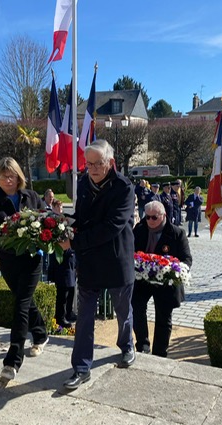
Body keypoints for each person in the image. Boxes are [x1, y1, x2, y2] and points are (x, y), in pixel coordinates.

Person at [58, 139, 136, 390]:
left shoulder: (124, 187)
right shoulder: (83, 182)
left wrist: (75, 243)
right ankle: (81, 367)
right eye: (88, 163)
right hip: (90, 261)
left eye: (96, 163)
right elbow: (83, 217)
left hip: (116, 259)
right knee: (85, 316)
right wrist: (64, 223)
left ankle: (126, 345)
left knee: (122, 311)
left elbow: (111, 226)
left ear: (110, 162)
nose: (91, 168)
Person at [0, 157, 48, 381]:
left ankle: (13, 360)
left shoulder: (31, 197)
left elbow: (45, 221)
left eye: (12, 176)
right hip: (9, 262)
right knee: (26, 302)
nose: (8, 180)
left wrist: (38, 240)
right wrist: (15, 237)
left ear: (19, 177)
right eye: (3, 176)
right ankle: (41, 333)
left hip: (32, 260)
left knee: (20, 304)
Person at [132, 201, 192, 357]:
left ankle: (160, 352)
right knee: (136, 307)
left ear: (163, 215)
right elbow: (130, 250)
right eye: (148, 217)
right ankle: (142, 345)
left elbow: (187, 259)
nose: (150, 221)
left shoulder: (177, 233)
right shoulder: (139, 229)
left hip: (165, 282)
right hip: (143, 278)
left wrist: (172, 270)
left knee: (163, 316)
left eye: (154, 217)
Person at [48, 199, 76, 328]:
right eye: (58, 207)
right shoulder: (51, 221)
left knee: (71, 289)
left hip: (70, 259)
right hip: (61, 259)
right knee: (63, 291)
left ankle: (69, 313)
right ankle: (60, 317)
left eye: (61, 207)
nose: (60, 209)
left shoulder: (65, 219)